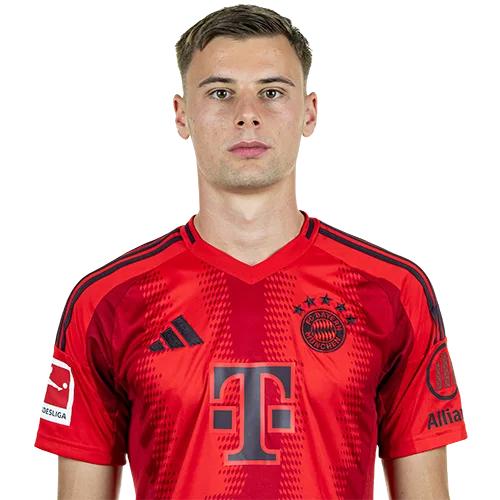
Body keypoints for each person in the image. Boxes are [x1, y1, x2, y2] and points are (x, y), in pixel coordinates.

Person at [34, 4, 467, 499]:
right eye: (220, 93)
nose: (247, 114)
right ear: (181, 115)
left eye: (271, 92)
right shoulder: (107, 301)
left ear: (310, 113)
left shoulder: (393, 291)